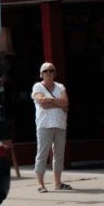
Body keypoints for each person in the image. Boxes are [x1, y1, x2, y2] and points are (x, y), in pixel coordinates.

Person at [32, 62, 70, 192]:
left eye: (51, 70)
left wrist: (50, 100)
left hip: (60, 124)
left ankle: (58, 183)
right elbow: (42, 102)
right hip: (44, 125)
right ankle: (40, 184)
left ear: (55, 73)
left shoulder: (60, 86)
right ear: (41, 74)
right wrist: (58, 102)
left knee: (59, 154)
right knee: (42, 154)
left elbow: (66, 103)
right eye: (45, 71)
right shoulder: (38, 86)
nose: (48, 73)